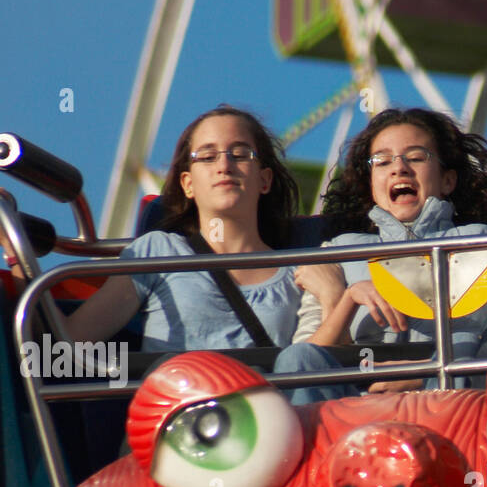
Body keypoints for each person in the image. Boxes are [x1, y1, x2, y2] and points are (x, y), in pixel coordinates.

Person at [64, 105, 349, 403]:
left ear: (264, 180)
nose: (224, 166)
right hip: (178, 425)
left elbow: (316, 371)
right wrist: (19, 262)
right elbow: (71, 341)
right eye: (208, 157)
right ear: (188, 184)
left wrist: (334, 297)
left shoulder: (302, 272)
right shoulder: (157, 252)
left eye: (239, 154)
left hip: (271, 428)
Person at [300, 108, 487, 392]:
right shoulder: (336, 254)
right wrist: (342, 299)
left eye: (416, 157)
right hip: (355, 403)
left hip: (456, 400)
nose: (399, 168)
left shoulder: (484, 243)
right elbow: (301, 361)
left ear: (447, 180)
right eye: (382, 162)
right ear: (371, 183)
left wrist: (422, 374)